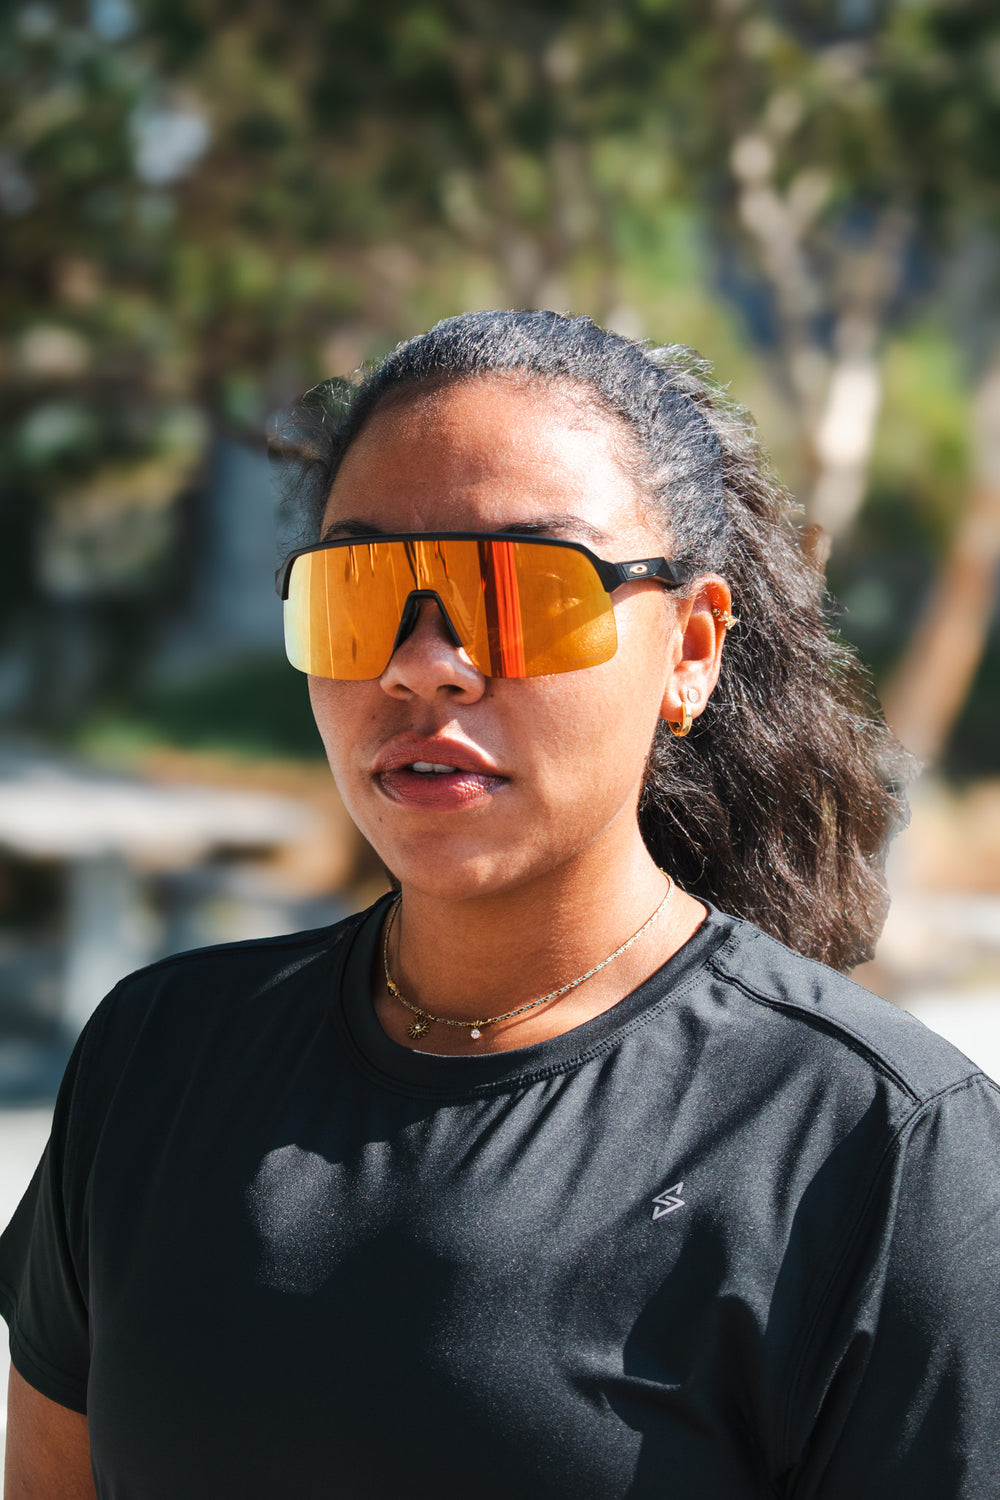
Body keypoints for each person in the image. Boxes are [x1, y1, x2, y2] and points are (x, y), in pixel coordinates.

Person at [2, 310, 998, 1499]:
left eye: (526, 589)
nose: (426, 662)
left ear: (691, 647)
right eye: (361, 591)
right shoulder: (158, 1060)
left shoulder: (882, 1150)